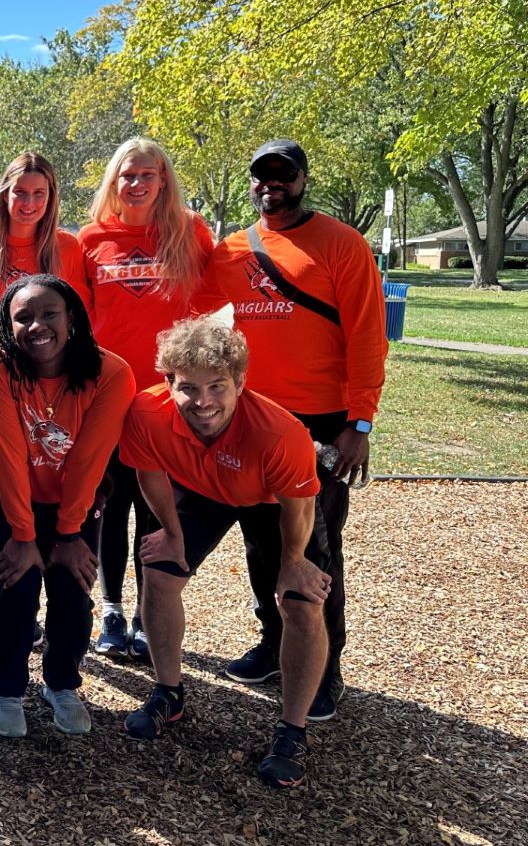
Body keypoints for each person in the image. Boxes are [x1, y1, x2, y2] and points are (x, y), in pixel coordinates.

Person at [206, 140, 387, 721]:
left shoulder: (342, 244)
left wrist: (359, 422)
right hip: (251, 416)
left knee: (313, 546)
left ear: (303, 179)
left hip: (321, 423)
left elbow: (367, 337)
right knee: (260, 539)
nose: (271, 185)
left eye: (283, 175)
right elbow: (192, 311)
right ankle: (274, 642)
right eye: (262, 176)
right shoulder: (230, 250)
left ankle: (324, 666)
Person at [118, 318, 330, 789]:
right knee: (159, 569)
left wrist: (293, 564)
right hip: (202, 488)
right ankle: (168, 692)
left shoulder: (279, 432)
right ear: (168, 382)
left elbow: (301, 506)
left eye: (217, 386)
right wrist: (172, 535)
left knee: (300, 600)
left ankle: (293, 730)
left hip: (275, 502)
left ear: (240, 382)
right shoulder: (146, 412)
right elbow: (150, 475)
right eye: (188, 388)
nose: (204, 401)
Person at [0, 274, 133, 738]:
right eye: (23, 317)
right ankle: (5, 687)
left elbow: (88, 460)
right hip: (1, 486)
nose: (37, 325)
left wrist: (67, 535)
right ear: (7, 324)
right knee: (17, 586)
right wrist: (22, 536)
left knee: (71, 586)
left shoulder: (111, 372)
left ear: (73, 317)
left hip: (73, 499)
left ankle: (61, 683)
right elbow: (9, 454)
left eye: (49, 314)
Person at [78, 138, 215, 662]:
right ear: (113, 181)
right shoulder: (91, 238)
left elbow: (211, 305)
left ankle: (144, 612)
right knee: (110, 505)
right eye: (126, 175)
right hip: (110, 395)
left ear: (163, 180)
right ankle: (111, 608)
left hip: (169, 399)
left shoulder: (188, 232)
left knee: (158, 507)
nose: (135, 184)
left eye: (146, 175)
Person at [0, 152, 90, 644]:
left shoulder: (67, 248)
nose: (28, 202)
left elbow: (81, 321)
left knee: (42, 478)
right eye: (19, 192)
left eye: (39, 193)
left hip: (52, 386)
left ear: (52, 197)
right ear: (4, 193)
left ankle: (45, 587)